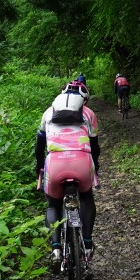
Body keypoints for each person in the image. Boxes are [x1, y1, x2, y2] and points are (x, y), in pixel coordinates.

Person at [36, 83, 100, 265]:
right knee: (86, 198)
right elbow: (95, 147)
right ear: (83, 100)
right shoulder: (89, 113)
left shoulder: (48, 112)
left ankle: (56, 248)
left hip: (55, 163)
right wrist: (95, 166)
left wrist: (39, 166)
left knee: (53, 205)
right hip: (81, 161)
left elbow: (39, 145)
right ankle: (87, 243)